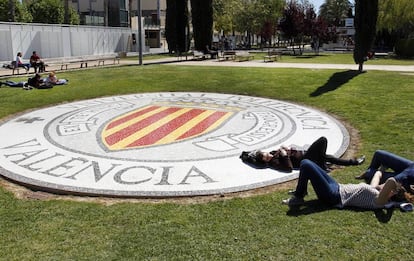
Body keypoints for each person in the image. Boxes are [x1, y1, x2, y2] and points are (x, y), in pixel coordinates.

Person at [282, 159, 410, 209]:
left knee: (306, 164)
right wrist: (383, 167)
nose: (382, 185)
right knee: (310, 163)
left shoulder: (379, 202)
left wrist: (397, 191)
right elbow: (378, 175)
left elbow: (391, 182)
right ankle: (301, 193)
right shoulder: (375, 190)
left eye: (385, 188)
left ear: (390, 192)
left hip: (333, 196)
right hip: (337, 186)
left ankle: (299, 196)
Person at [240, 136, 365, 172]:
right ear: (265, 161)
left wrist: (286, 148)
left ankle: (354, 162)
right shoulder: (274, 163)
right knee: (323, 140)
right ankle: (321, 165)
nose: (269, 156)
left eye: (266, 154)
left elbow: (285, 151)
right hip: (306, 159)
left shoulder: (273, 154)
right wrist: (284, 155)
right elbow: (289, 168)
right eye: (267, 158)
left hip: (305, 154)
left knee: (328, 157)